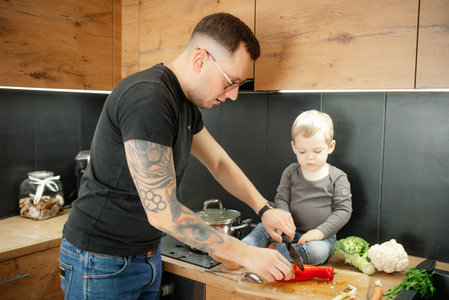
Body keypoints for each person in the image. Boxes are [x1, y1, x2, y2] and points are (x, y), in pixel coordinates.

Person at [59, 12, 296, 299]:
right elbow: (164, 213)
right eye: (231, 81)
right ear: (201, 60)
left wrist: (264, 209)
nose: (233, 95)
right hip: (100, 261)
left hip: (144, 256)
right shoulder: (149, 99)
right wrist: (249, 255)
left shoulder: (183, 104)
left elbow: (218, 161)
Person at [241, 110, 352, 266]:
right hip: (286, 232)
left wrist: (320, 232)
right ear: (294, 147)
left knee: (317, 253)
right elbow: (281, 199)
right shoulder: (291, 172)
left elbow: (343, 211)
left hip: (320, 238)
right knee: (262, 227)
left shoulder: (338, 177)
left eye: (317, 151)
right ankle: (243, 249)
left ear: (330, 146)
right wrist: (283, 223)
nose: (310, 157)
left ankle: (272, 251)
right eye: (302, 151)